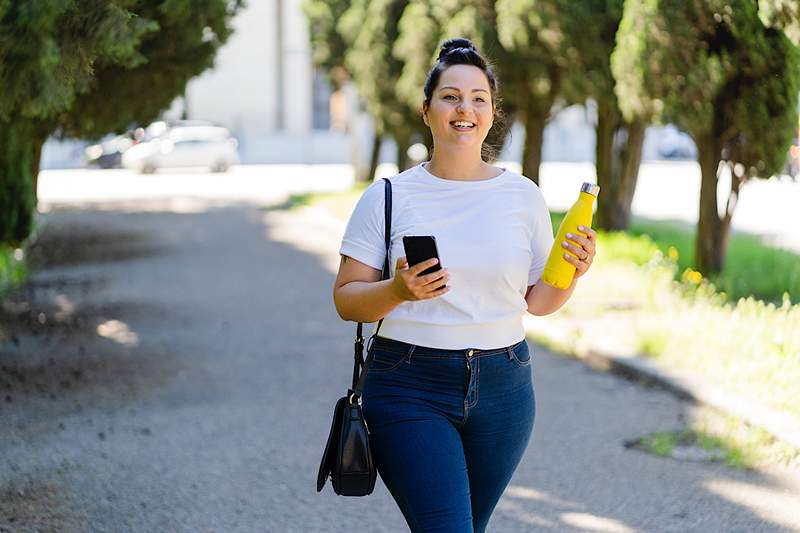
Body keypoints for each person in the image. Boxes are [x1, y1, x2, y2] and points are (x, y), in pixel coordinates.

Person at [333, 38, 597, 533]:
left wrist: (573, 274)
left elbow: (538, 302)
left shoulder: (522, 197)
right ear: (427, 110)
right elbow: (346, 300)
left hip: (505, 387)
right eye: (451, 96)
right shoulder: (388, 196)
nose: (465, 109)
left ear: (493, 113)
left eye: (478, 98)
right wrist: (398, 291)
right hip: (409, 384)